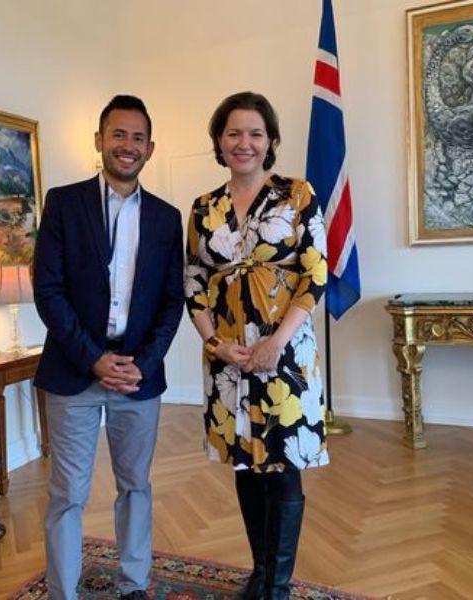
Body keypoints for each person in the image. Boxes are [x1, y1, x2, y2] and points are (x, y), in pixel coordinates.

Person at [33, 95, 184, 600]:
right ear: (99, 141)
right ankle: (62, 593)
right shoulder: (63, 202)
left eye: (138, 137)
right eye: (118, 135)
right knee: (67, 493)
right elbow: (48, 291)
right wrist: (94, 358)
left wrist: (140, 363)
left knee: (136, 485)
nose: (128, 145)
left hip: (138, 377)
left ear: (150, 148)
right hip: (75, 371)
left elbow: (172, 300)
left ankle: (134, 586)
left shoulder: (166, 218)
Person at [185, 92, 328, 600]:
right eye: (233, 133)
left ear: (269, 142)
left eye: (255, 134)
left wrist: (276, 343)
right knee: (246, 465)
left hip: (285, 354)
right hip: (229, 360)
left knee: (282, 465)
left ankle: (278, 586)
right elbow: (194, 281)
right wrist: (214, 344)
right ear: (218, 142)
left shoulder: (296, 194)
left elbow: (314, 274)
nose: (244, 143)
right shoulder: (204, 208)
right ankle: (260, 570)